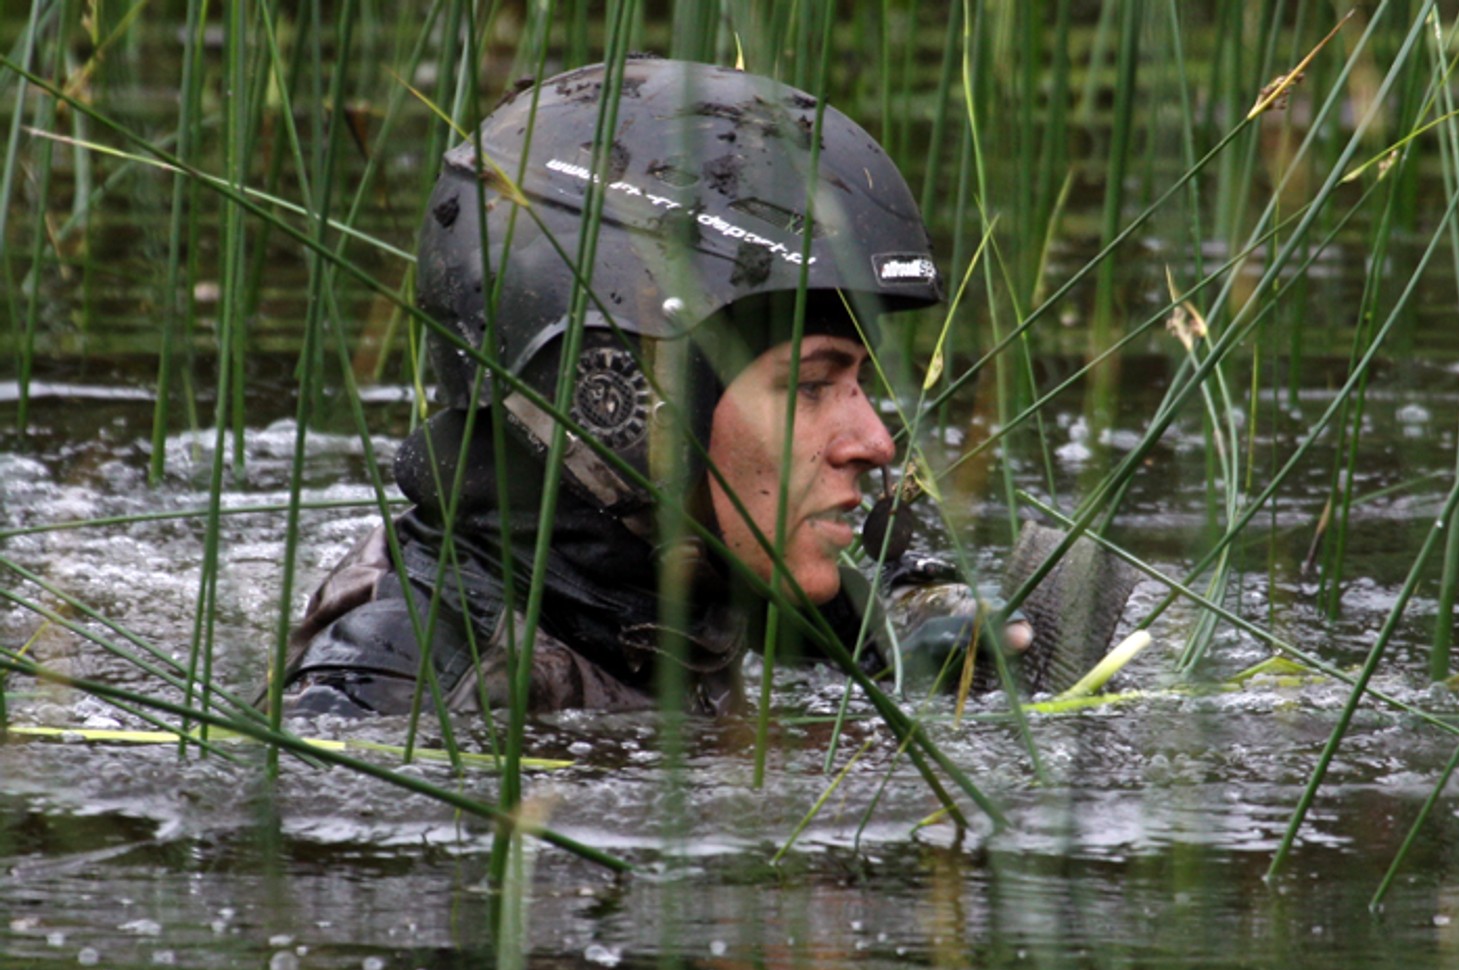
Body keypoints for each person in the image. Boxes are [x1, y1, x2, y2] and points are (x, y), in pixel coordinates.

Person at [277, 56, 1022, 719]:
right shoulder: (394, 695)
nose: (876, 442)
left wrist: (909, 611)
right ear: (613, 394)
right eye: (808, 386)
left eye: (858, 382)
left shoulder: (679, 567)